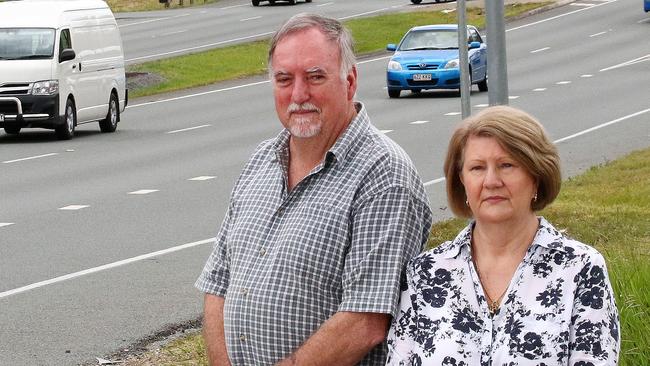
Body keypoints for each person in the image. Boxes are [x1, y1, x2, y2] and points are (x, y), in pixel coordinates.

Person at [195, 13, 433, 366]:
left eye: (315, 77)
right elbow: (218, 284)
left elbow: (365, 322)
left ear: (349, 81)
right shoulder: (260, 161)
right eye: (284, 79)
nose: (299, 94)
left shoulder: (384, 174)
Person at [386, 106, 620, 365]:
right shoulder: (424, 275)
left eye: (506, 165)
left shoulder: (580, 269)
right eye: (477, 168)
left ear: (537, 175)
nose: (491, 181)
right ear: (462, 180)